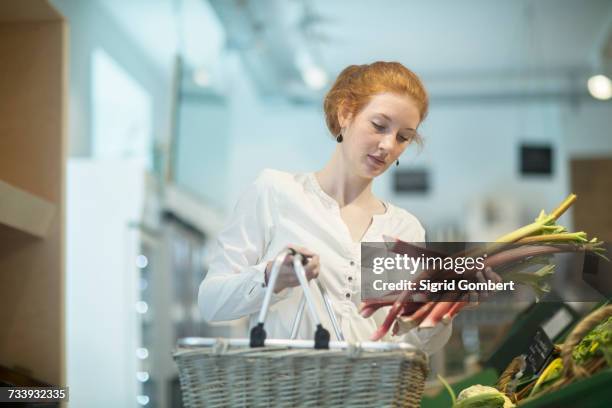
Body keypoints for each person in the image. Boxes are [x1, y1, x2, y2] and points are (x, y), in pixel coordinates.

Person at [198, 61, 487, 354]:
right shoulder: (276, 192)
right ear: (346, 112)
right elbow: (211, 303)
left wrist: (444, 309)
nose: (388, 145)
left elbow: (406, 348)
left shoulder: (403, 228)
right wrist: (273, 277)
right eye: (379, 125)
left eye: (403, 137)